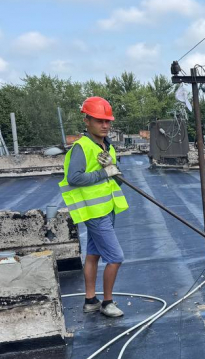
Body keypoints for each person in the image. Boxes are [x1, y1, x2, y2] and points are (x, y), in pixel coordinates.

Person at [60, 97, 128, 318]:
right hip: (95, 212)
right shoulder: (82, 147)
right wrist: (104, 172)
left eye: (107, 121)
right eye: (99, 120)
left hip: (107, 209)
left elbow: (115, 180)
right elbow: (74, 178)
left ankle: (90, 301)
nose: (105, 125)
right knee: (115, 257)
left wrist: (114, 170)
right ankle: (107, 303)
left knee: (93, 254)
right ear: (87, 121)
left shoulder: (107, 146)